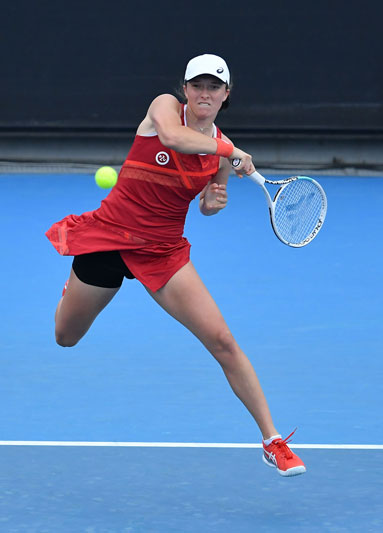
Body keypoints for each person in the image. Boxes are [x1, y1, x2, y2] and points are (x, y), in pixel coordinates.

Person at [45, 54, 306, 477]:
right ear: (184, 89)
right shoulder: (164, 109)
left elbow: (208, 204)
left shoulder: (221, 155)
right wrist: (231, 150)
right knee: (65, 336)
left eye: (213, 87)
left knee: (223, 341)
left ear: (226, 95)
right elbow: (174, 137)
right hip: (109, 238)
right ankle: (71, 288)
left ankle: (272, 441)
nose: (204, 93)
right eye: (197, 85)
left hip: (162, 252)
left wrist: (213, 201)